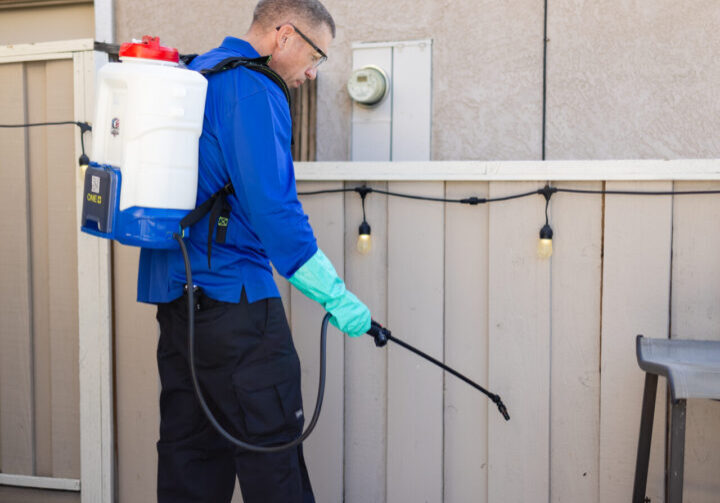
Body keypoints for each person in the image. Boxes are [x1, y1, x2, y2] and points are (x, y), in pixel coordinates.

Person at [136, 1, 371, 501]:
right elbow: (275, 212)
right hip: (237, 311)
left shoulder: (194, 74)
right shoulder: (252, 87)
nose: (312, 72)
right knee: (272, 460)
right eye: (316, 56)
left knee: (189, 458)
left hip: (178, 307)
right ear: (284, 36)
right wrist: (334, 295)